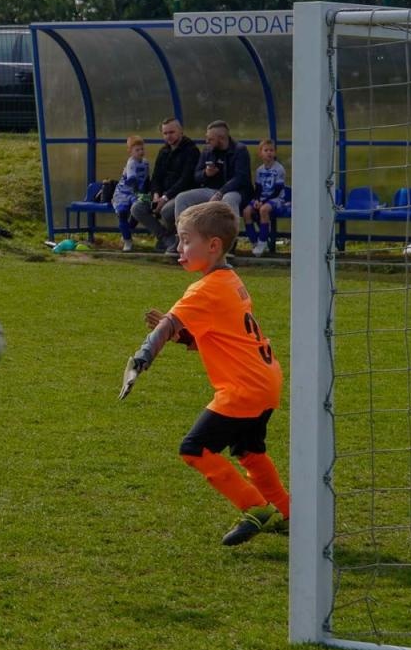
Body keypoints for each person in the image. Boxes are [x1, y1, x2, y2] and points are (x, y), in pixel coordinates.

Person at [120, 201, 291, 546]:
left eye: (185, 241)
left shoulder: (203, 290)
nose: (178, 249)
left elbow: (167, 324)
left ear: (213, 246)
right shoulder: (231, 280)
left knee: (194, 448)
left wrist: (140, 360)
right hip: (266, 379)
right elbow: (220, 336)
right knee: (249, 451)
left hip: (242, 388)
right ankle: (288, 513)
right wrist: (181, 334)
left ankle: (256, 507)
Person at [168, 121, 253, 249]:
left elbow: (240, 178)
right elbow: (196, 175)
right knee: (182, 198)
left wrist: (221, 193)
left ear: (221, 138)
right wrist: (206, 174)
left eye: (210, 139)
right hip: (212, 190)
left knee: (228, 199)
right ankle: (183, 239)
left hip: (236, 191)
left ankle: (230, 243)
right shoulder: (208, 150)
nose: (206, 141)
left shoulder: (239, 150)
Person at [129, 118, 201, 252]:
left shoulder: (192, 151)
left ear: (181, 131)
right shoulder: (163, 151)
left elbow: (186, 180)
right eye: (165, 133)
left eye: (172, 132)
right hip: (161, 196)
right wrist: (156, 194)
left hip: (180, 196)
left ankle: (176, 240)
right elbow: (156, 177)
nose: (168, 136)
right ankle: (166, 238)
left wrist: (165, 197)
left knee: (166, 210)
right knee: (137, 208)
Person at [242, 140, 288, 257]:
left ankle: (262, 242)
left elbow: (277, 190)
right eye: (266, 150)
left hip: (277, 199)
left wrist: (262, 202)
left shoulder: (279, 169)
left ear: (275, 153)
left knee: (264, 210)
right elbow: (257, 188)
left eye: (271, 150)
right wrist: (257, 200)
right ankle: (254, 241)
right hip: (262, 199)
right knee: (246, 211)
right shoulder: (259, 170)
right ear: (260, 153)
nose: (269, 153)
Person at [111, 135, 150, 252]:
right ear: (130, 151)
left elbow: (146, 179)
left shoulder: (146, 163)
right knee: (122, 212)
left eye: (142, 149)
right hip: (123, 192)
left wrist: (146, 192)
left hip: (136, 193)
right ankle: (127, 240)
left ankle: (127, 232)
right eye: (137, 150)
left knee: (138, 210)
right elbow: (132, 178)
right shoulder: (131, 163)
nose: (140, 152)